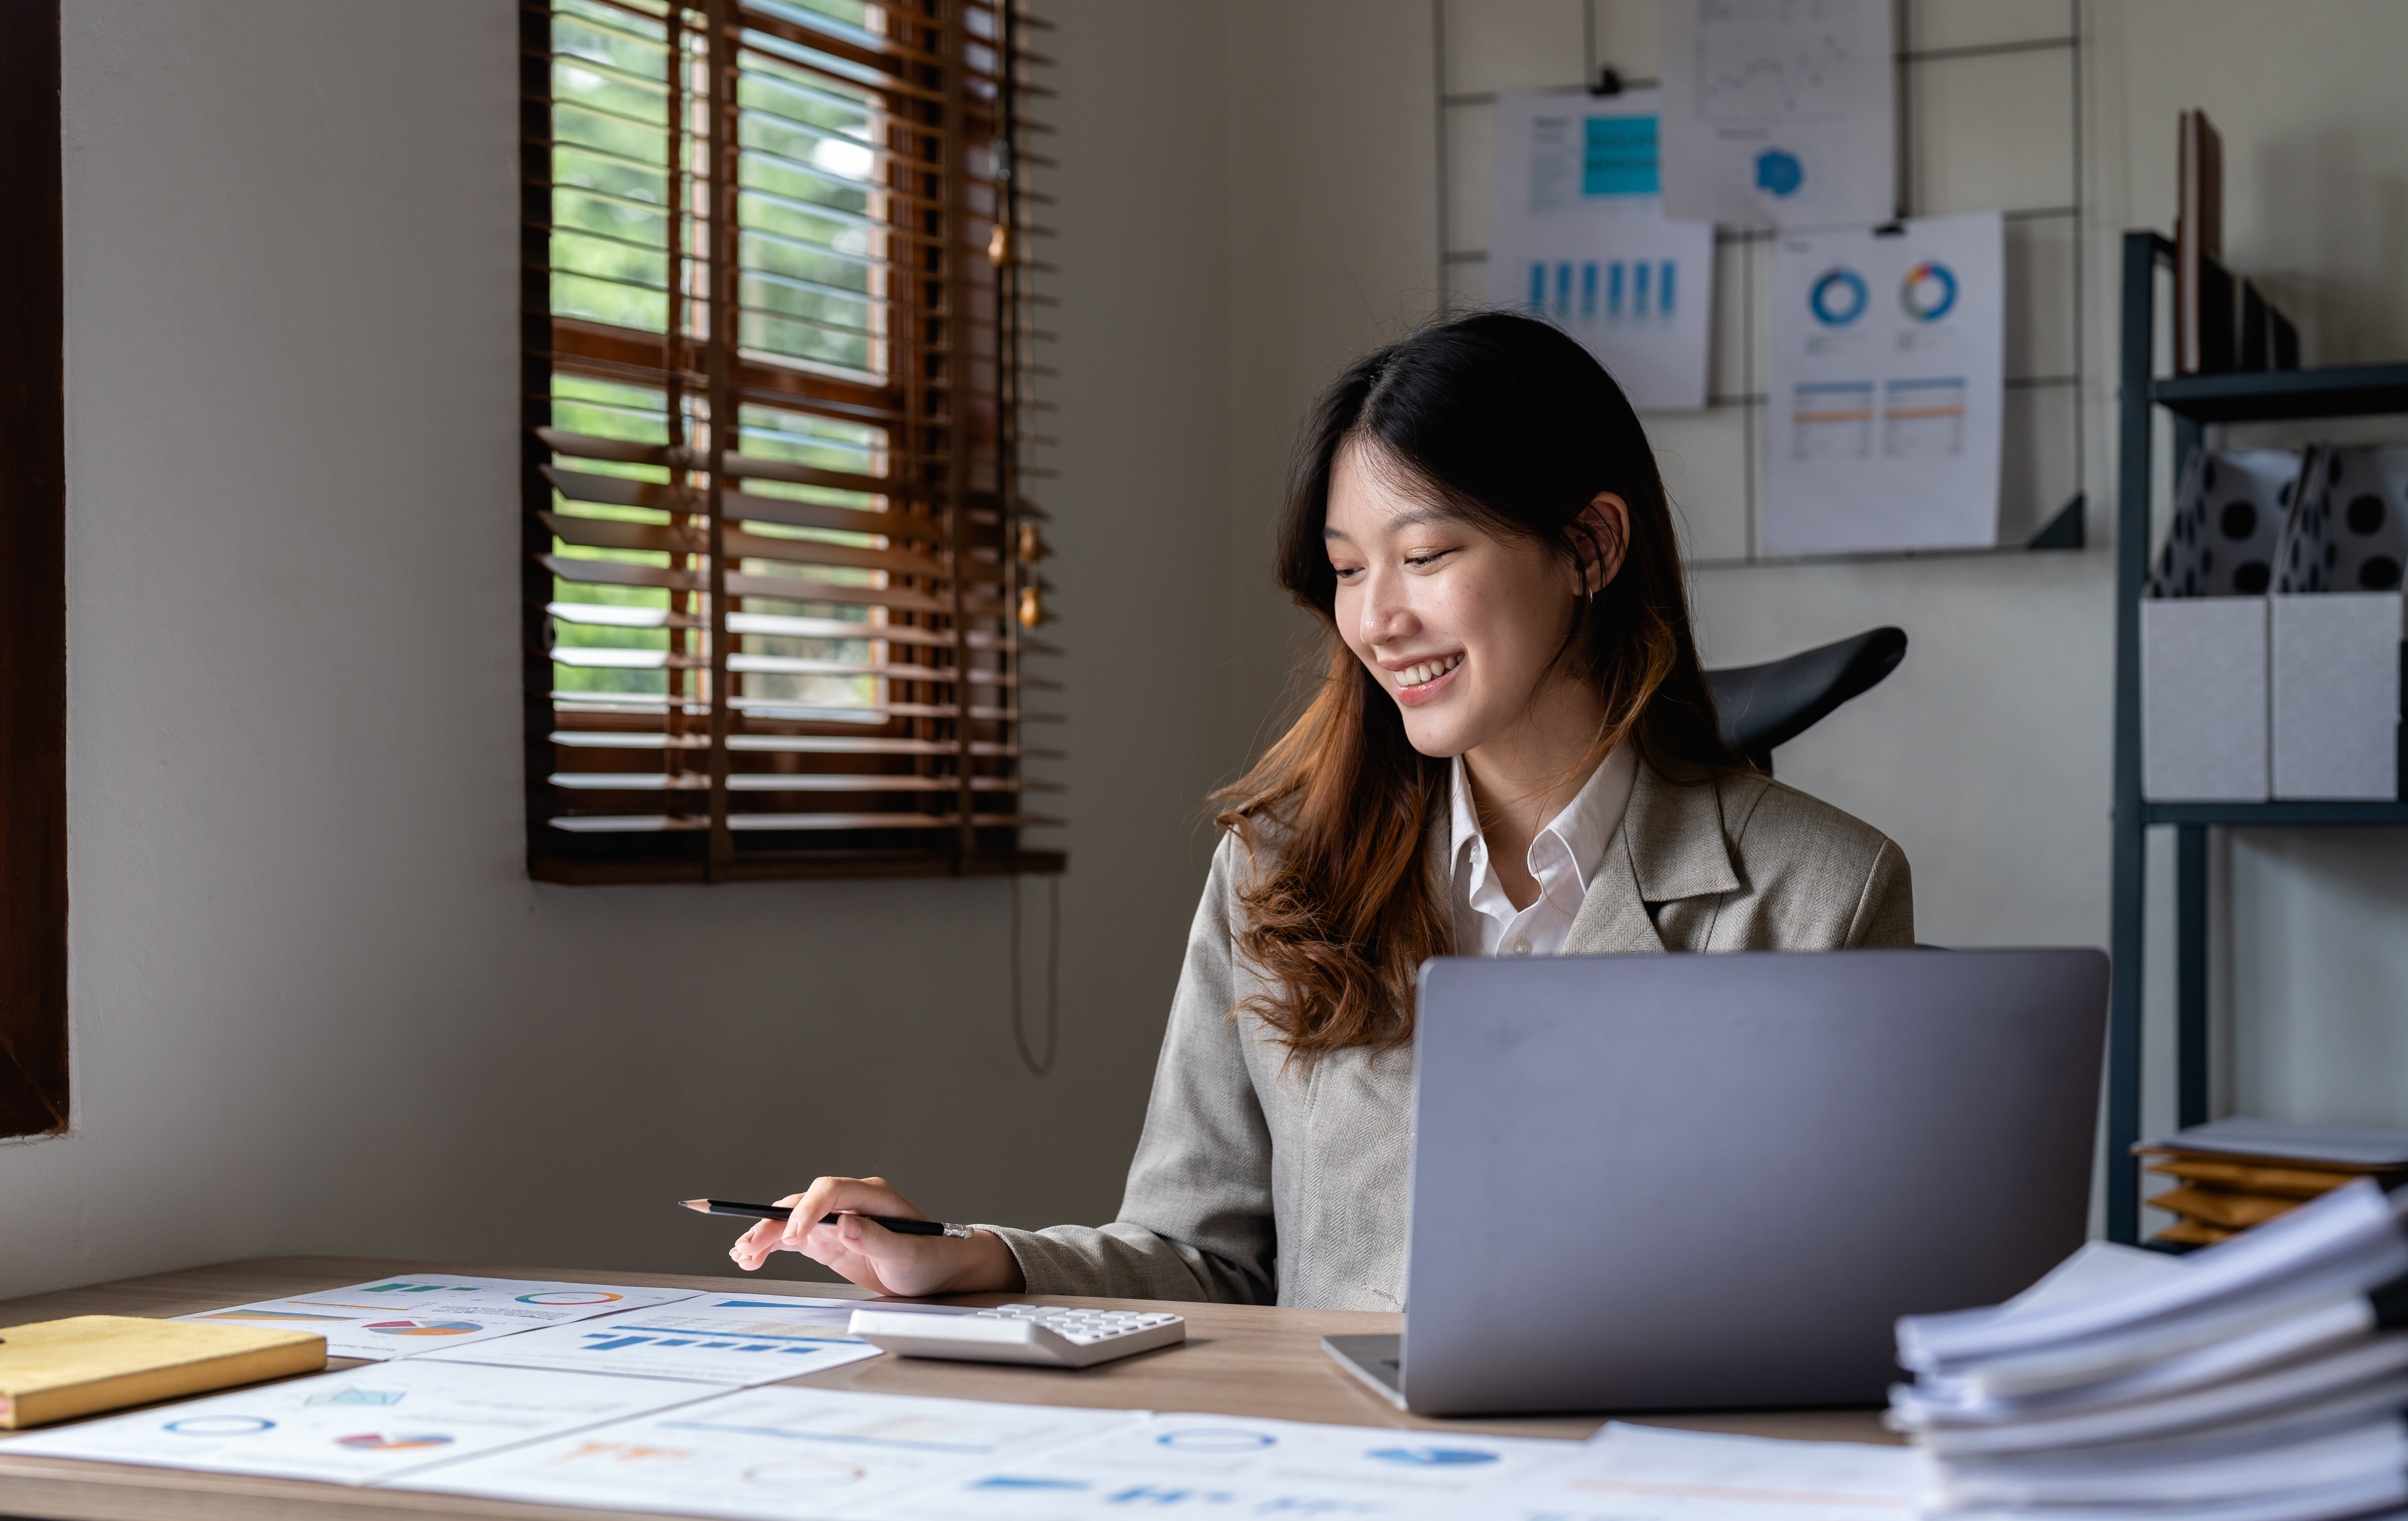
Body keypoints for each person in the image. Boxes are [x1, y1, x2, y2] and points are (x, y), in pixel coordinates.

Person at [730, 312, 1914, 1312]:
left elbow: (1850, 1304)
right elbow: (1204, 1259)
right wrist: (970, 1256)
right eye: (1350, 570)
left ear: (1590, 548)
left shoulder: (1823, 892)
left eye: (1428, 553)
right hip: (1335, 1490)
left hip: (1633, 1505)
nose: (1379, 619)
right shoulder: (1275, 872)